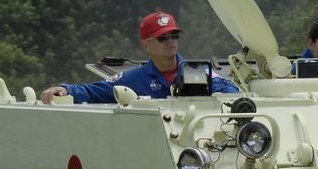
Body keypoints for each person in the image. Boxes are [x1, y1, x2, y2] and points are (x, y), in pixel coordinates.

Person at [39, 11, 238, 103]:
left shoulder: (198, 72)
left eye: (174, 35)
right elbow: (93, 92)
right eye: (162, 37)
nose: (171, 41)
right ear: (146, 45)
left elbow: (232, 91)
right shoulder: (134, 79)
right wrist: (65, 89)